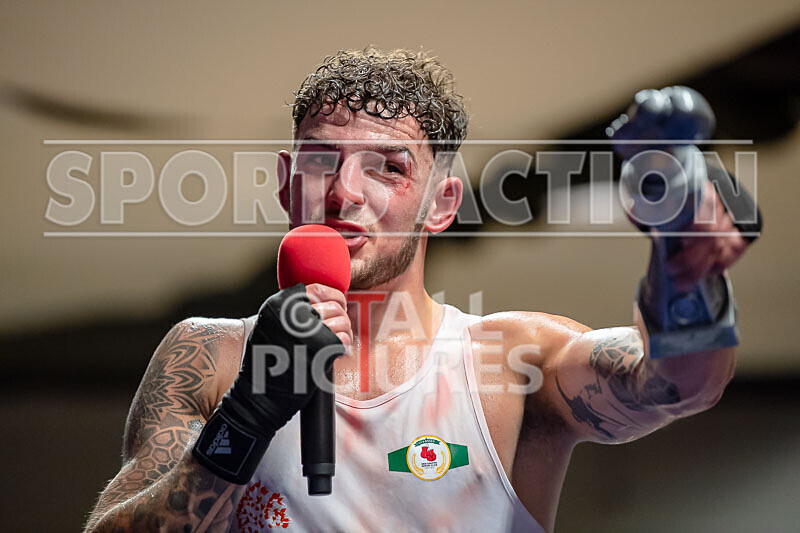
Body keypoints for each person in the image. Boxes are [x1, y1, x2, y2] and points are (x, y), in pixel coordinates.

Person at [84, 48, 755, 532]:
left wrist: (683, 271)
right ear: (288, 182)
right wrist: (247, 415)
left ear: (442, 204)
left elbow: (676, 385)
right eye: (323, 163)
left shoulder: (510, 361)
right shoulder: (210, 357)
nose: (346, 191)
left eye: (390, 168)